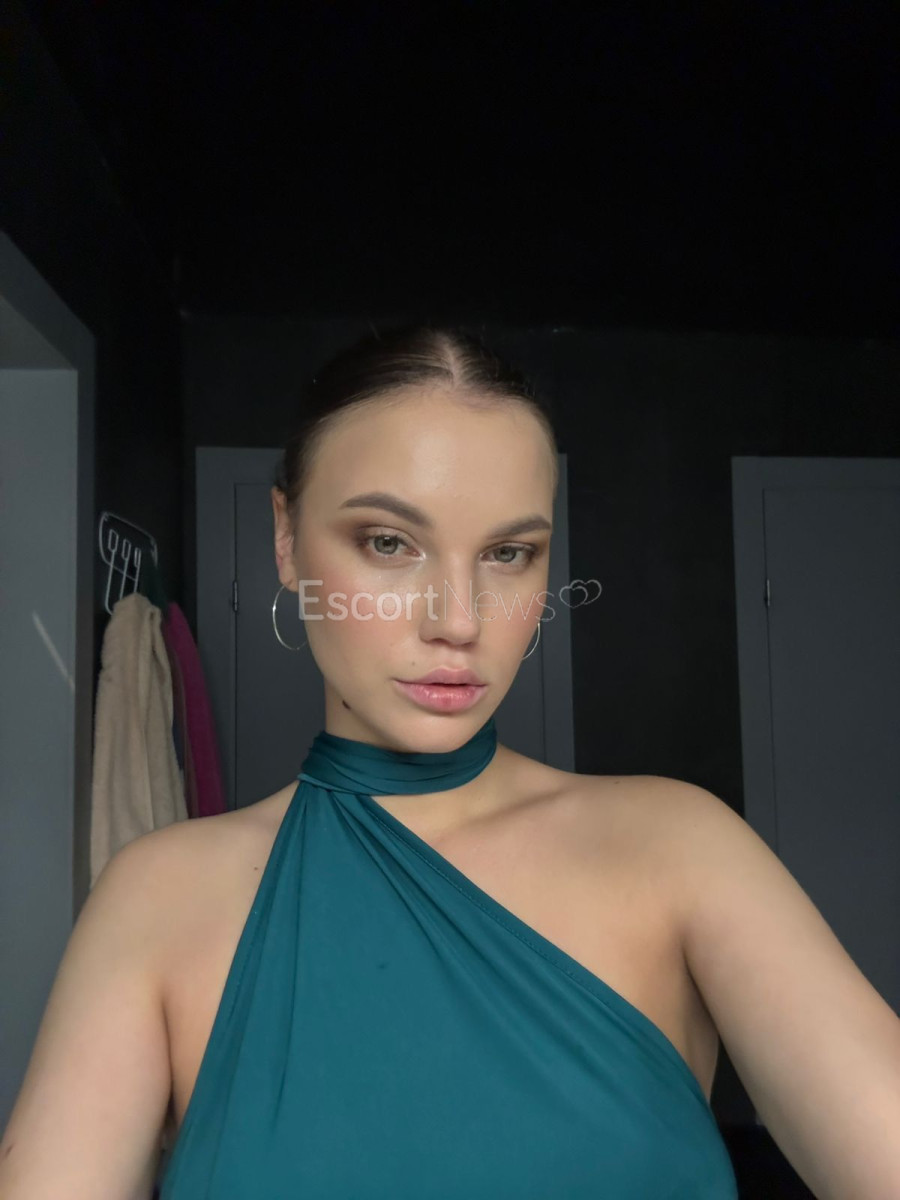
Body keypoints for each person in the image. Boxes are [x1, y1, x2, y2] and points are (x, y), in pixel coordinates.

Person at [2, 326, 898, 1198]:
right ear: (286, 538)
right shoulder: (157, 898)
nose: (459, 620)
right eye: (389, 542)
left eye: (509, 553)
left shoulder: (681, 848)